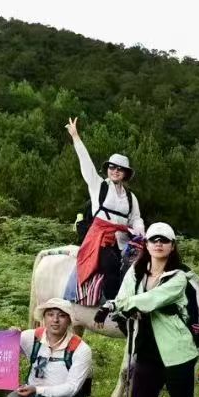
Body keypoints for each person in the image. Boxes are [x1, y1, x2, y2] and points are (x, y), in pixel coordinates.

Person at [99, 223, 199, 397]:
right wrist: (121, 306)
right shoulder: (135, 272)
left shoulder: (179, 277)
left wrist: (115, 306)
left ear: (172, 246)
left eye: (164, 240)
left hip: (177, 351)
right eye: (154, 239)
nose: (158, 244)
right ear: (146, 244)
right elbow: (124, 298)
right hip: (147, 348)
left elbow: (152, 299)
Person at [62, 116, 144, 307]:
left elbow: (136, 218)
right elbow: (86, 164)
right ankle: (112, 306)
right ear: (108, 169)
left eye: (120, 169)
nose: (115, 171)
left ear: (125, 173)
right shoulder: (98, 186)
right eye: (112, 167)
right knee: (111, 265)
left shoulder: (131, 197)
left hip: (124, 241)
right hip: (100, 240)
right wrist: (76, 137)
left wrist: (140, 232)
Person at [1, 298, 92, 397]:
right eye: (50, 314)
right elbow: (5, 348)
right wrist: (11, 336)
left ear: (69, 320)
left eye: (61, 316)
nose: (55, 320)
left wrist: (37, 389)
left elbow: (72, 388)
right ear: (44, 317)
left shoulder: (81, 349)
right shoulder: (32, 337)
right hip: (31, 396)